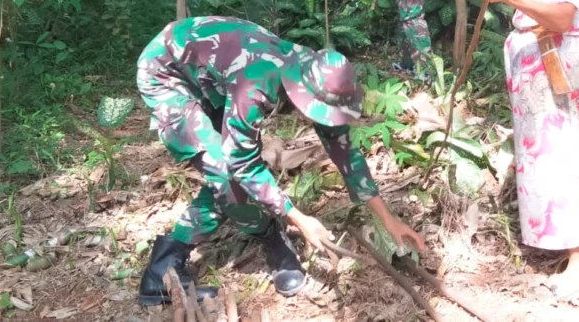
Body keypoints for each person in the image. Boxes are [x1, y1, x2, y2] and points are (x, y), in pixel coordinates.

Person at [134, 16, 425, 305]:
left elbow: (343, 148)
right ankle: (164, 271)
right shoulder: (256, 83)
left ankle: (262, 230)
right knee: (224, 174)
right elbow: (241, 164)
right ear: (302, 94)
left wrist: (388, 219)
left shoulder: (314, 72)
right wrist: (297, 219)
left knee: (227, 174)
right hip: (166, 71)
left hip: (208, 71)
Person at [478, 0, 579, 297]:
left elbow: (563, 17)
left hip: (555, 60)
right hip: (540, 62)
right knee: (545, 153)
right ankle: (561, 243)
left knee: (560, 151)